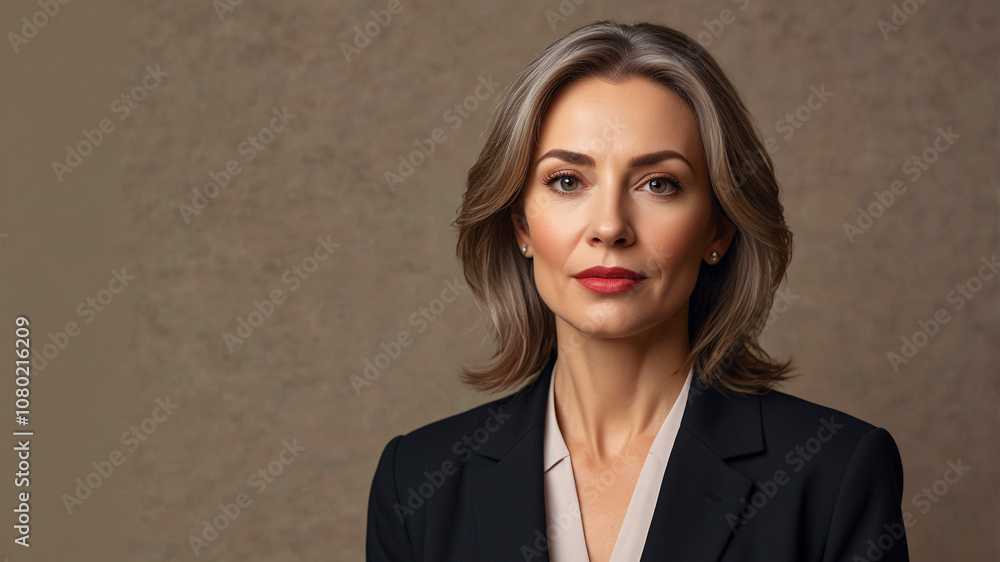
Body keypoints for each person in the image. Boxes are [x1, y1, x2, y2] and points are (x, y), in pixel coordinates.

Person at [366, 20, 908, 562]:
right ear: (522, 227)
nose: (610, 226)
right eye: (567, 181)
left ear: (718, 228)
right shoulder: (415, 482)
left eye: (658, 184)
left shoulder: (835, 470)